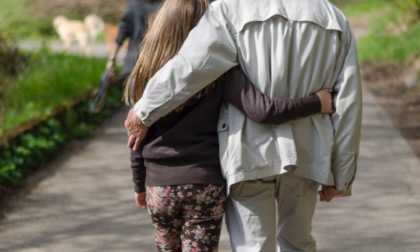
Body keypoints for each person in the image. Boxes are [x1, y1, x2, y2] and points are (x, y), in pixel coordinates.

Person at [124, 0, 363, 251]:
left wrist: (144, 110)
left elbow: (191, 67)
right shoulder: (333, 18)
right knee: (298, 243)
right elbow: (348, 100)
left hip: (249, 150)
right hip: (307, 149)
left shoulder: (228, 10)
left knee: (253, 246)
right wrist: (341, 172)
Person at [106, 0, 162, 80]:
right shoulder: (134, 6)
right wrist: (112, 59)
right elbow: (122, 33)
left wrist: (112, 59)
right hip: (135, 65)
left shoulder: (164, 6)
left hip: (153, 66)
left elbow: (122, 33)